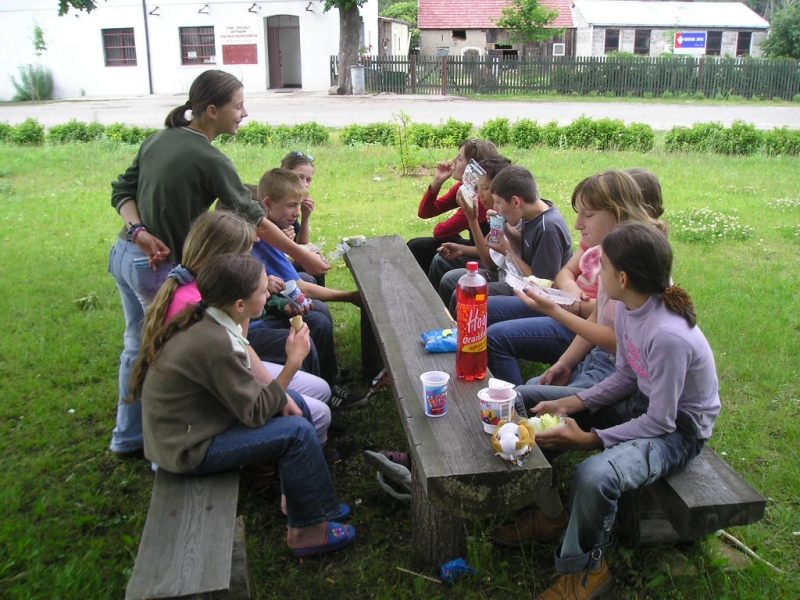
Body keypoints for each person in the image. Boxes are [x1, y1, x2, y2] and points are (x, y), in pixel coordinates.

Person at [108, 69, 328, 458]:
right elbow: (252, 215)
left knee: (136, 346)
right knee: (165, 347)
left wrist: (138, 230)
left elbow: (123, 191)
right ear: (211, 110)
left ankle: (129, 437)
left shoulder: (159, 138)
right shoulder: (208, 156)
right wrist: (304, 256)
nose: (244, 113)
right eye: (238, 105)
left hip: (128, 253)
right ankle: (167, 435)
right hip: (159, 264)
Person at [522, 222, 719, 599]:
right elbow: (627, 376)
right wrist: (573, 402)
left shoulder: (668, 336)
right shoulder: (630, 308)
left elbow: (661, 420)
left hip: (679, 429)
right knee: (526, 399)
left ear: (623, 277)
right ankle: (549, 514)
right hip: (644, 404)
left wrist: (590, 440)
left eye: (604, 266)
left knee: (595, 476)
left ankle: (587, 570)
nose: (597, 271)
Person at [130, 253, 355, 557]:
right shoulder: (216, 343)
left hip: (198, 425)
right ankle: (305, 533)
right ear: (240, 305)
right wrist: (293, 361)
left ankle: (304, 501)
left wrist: (285, 394)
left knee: (296, 402)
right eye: (263, 291)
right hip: (186, 447)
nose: (268, 294)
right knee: (297, 433)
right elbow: (255, 412)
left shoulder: (210, 319)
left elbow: (252, 395)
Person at [139, 211, 335, 457]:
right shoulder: (197, 306)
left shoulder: (213, 291)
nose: (249, 260)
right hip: (202, 414)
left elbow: (240, 344)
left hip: (224, 376)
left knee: (319, 391)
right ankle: (295, 455)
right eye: (244, 254)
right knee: (311, 411)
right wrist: (283, 386)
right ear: (221, 257)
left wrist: (256, 289)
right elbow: (245, 392)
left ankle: (300, 445)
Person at [486, 170, 654, 385]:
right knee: (483, 306)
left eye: (588, 215)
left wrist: (563, 305)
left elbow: (607, 322)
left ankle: (509, 401)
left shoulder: (624, 261)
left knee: (497, 337)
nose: (577, 224)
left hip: (576, 321)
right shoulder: (600, 243)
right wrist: (571, 292)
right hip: (565, 304)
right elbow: (565, 273)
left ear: (618, 213)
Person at [249, 168, 367, 409]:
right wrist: (351, 296)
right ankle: (321, 395)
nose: (296, 212)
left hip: (259, 312)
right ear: (267, 205)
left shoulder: (269, 234)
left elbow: (291, 283)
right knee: (315, 323)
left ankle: (329, 378)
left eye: (299, 205)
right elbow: (296, 286)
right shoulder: (260, 238)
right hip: (252, 324)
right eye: (292, 205)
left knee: (318, 312)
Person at [436, 164, 573, 315]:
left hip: (539, 299)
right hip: (519, 281)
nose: (495, 207)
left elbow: (541, 283)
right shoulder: (532, 212)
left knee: (470, 296)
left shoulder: (549, 229)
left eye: (498, 202)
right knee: (462, 291)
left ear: (515, 202)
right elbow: (526, 246)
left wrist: (507, 251)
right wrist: (505, 227)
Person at [407, 138, 498, 274]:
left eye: (460, 159)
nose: (454, 161)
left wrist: (455, 234)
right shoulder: (464, 187)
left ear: (473, 168)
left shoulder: (480, 199)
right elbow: (425, 212)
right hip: (477, 247)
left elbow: (441, 232)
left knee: (422, 249)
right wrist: (437, 182)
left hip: (489, 257)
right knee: (416, 245)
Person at [429, 155, 512, 302]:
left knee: (452, 281)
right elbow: (492, 255)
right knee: (439, 260)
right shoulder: (496, 212)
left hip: (506, 277)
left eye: (484, 188)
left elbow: (490, 263)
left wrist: (471, 218)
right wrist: (461, 249)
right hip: (500, 268)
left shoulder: (503, 214)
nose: (479, 194)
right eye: (478, 187)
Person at [280, 151, 326, 287]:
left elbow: (302, 241)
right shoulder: (278, 205)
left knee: (314, 257)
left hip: (286, 259)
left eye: (308, 179)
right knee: (311, 262)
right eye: (299, 177)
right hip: (273, 271)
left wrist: (305, 217)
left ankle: (319, 302)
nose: (304, 184)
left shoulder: (293, 202)